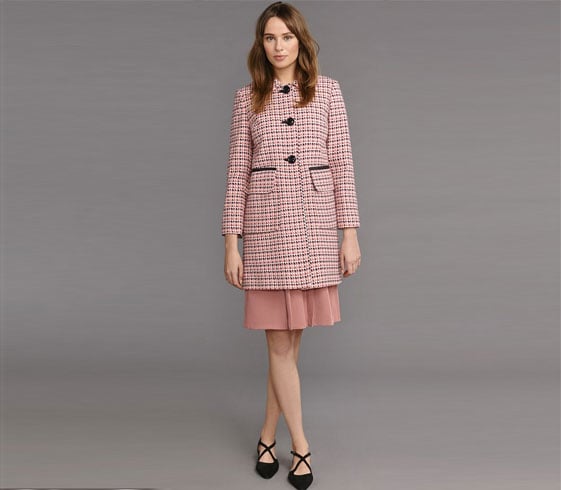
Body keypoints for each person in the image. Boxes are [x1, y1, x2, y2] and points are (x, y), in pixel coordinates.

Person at [221, 2, 361, 488]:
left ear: (301, 41)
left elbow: (342, 163)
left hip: (313, 228)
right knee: (279, 344)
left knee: (290, 345)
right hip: (265, 231)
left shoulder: (328, 92)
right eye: (269, 37)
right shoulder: (246, 99)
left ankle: (266, 436)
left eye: (286, 36)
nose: (278, 46)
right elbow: (237, 173)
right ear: (260, 44)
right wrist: (231, 243)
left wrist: (349, 233)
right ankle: (300, 445)